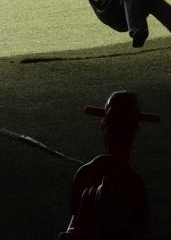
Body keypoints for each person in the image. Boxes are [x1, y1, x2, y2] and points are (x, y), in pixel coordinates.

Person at [61, 91, 151, 240]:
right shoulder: (134, 183)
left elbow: (74, 226)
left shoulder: (84, 175)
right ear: (135, 128)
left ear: (103, 124)